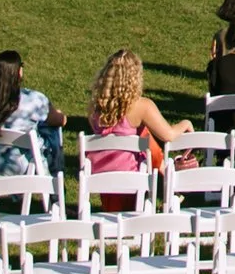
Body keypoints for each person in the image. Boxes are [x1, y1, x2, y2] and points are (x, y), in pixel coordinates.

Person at [83, 51, 197, 209]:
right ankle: (170, 190)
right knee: (146, 139)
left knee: (144, 136)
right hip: (133, 179)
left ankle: (170, 189)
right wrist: (185, 123)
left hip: (103, 178)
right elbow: (168, 135)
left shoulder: (96, 109)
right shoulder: (141, 106)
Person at [0, 50, 60, 182]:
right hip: (24, 168)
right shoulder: (33, 99)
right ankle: (54, 185)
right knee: (52, 130)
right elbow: (60, 120)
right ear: (19, 72)